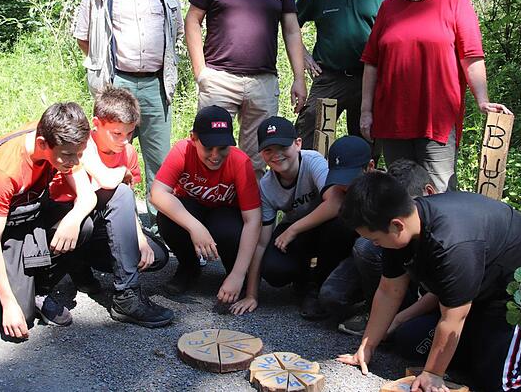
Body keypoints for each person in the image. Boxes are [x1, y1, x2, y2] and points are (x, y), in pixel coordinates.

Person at [336, 173, 521, 392]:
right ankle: (495, 349)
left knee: (499, 381)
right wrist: (367, 346)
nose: (374, 245)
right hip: (479, 289)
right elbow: (389, 290)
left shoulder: (452, 244)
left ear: (396, 225)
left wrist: (433, 374)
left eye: (376, 240)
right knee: (409, 339)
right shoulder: (403, 229)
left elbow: (453, 320)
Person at [360, 0, 511, 192]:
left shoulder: (454, 0)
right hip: (392, 118)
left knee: (439, 192)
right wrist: (366, 111)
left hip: (436, 118)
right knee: (400, 195)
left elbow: (471, 56)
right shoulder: (389, 7)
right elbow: (371, 63)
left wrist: (482, 99)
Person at [73, 0, 185, 229]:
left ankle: (160, 227)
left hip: (157, 84)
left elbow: (177, 30)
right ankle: (119, 223)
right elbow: (85, 38)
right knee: (111, 155)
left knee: (159, 161)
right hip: (116, 83)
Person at [0, 103, 95, 339]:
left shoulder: (65, 143)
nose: (74, 161)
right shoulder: (5, 169)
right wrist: (9, 305)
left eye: (79, 154)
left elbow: (87, 196)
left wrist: (74, 219)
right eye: (69, 155)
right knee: (18, 315)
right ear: (42, 144)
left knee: (84, 225)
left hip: (27, 210)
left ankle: (40, 289)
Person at [185, 0, 308, 173]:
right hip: (219, 79)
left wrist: (299, 78)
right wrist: (200, 72)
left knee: (258, 160)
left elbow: (291, 30)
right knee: (209, 152)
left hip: (263, 83)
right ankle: (208, 211)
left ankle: (251, 213)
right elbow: (192, 20)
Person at [230, 118, 358, 319]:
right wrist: (252, 295)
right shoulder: (265, 186)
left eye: (282, 146)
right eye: (268, 150)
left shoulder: (313, 160)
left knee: (340, 226)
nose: (276, 154)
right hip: (299, 233)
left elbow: (335, 203)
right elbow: (261, 243)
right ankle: (304, 279)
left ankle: (320, 285)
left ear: (298, 144)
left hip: (324, 227)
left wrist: (293, 229)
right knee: (273, 269)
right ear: (261, 154)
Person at [75, 85, 174, 328]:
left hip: (101, 227)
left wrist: (139, 238)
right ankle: (124, 295)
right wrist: (122, 172)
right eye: (116, 134)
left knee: (156, 255)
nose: (124, 140)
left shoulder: (127, 151)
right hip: (74, 226)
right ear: (96, 124)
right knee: (116, 188)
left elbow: (126, 201)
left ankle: (91, 269)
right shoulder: (82, 142)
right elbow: (110, 181)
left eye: (129, 134)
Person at [294, 0, 398, 145]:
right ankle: (315, 179)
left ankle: (361, 179)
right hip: (330, 78)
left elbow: (400, 36)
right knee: (312, 141)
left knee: (366, 145)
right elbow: (290, 23)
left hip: (369, 81)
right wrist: (303, 56)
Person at [150, 105, 262, 308]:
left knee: (228, 228)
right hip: (193, 211)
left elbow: (253, 219)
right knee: (166, 217)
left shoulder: (240, 162)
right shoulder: (182, 150)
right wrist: (195, 227)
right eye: (208, 147)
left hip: (224, 215)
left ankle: (234, 274)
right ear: (193, 138)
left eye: (222, 148)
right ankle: (189, 267)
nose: (215, 155)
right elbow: (157, 193)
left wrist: (238, 274)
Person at [320, 159, 438, 336]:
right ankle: (371, 308)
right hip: (389, 263)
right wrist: (369, 343)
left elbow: (444, 294)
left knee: (408, 338)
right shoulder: (386, 232)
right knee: (332, 297)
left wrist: (399, 319)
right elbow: (389, 288)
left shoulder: (444, 234)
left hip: (437, 294)